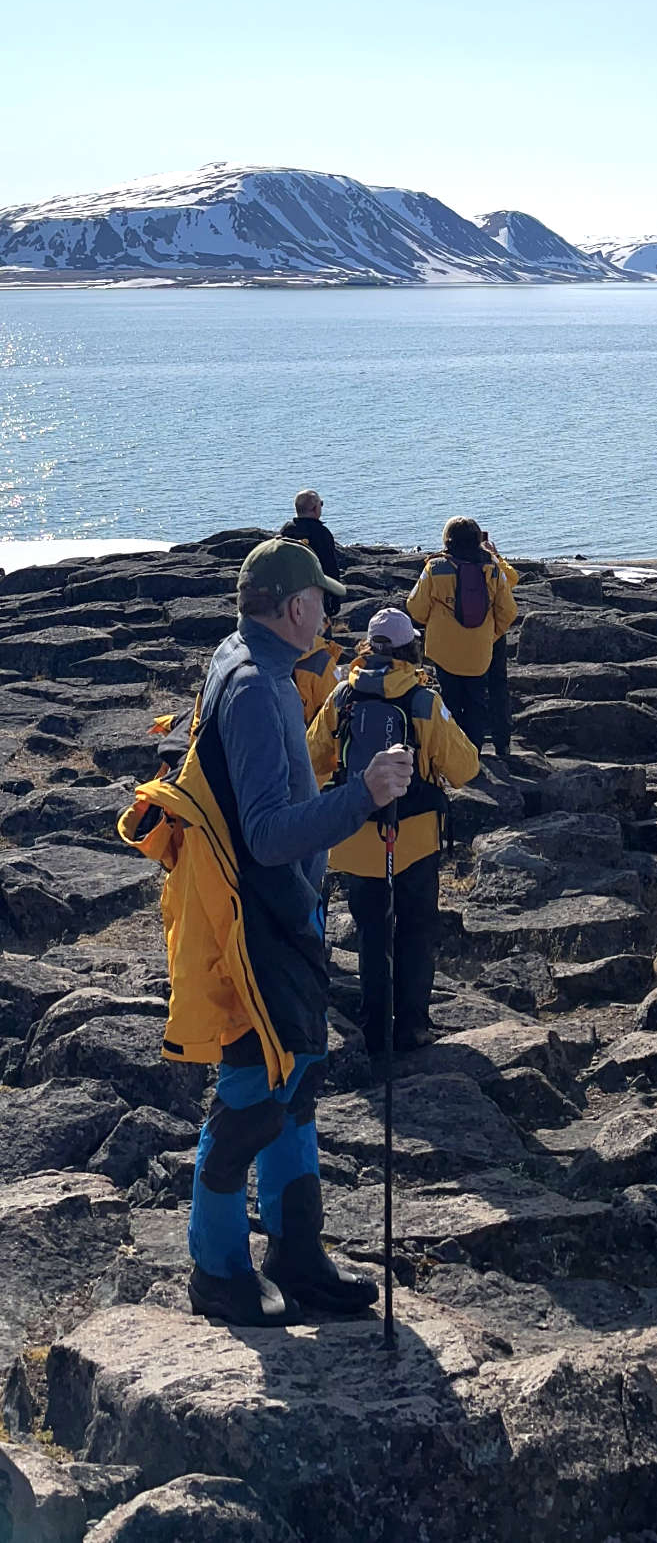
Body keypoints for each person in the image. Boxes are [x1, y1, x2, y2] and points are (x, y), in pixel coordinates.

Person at [124, 539, 413, 1326]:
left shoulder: (254, 662)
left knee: (297, 1085)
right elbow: (265, 834)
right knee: (252, 1096)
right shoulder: (254, 686)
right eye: (320, 598)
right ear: (293, 609)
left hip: (285, 918)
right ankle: (217, 1272)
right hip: (255, 928)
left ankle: (298, 1255)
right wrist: (365, 793)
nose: (329, 609)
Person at [307, 607, 480, 1055]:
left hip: (357, 839)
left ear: (369, 646)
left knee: (372, 933)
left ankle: (375, 1027)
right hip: (415, 838)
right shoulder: (423, 701)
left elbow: (312, 758)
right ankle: (412, 1027)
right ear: (409, 649)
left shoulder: (343, 696)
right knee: (417, 931)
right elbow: (465, 768)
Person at [407, 517, 517, 759]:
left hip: (443, 651)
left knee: (450, 701)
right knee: (477, 703)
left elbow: (415, 607)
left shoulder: (434, 569)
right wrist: (490, 634)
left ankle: (453, 756)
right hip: (479, 652)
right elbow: (508, 611)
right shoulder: (493, 570)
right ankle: (473, 754)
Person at [277, 490, 346, 584]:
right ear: (315, 508)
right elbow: (330, 566)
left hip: (291, 583)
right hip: (315, 584)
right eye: (321, 504)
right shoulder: (321, 533)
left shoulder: (286, 529)